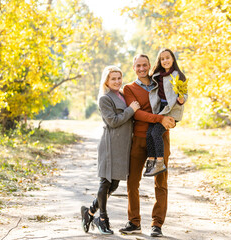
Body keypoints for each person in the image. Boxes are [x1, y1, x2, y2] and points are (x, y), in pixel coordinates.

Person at [119, 54, 184, 237]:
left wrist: (173, 114)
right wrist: (160, 118)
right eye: (138, 65)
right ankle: (134, 222)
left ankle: (157, 224)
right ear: (133, 67)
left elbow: (175, 100)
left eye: (145, 65)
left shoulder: (160, 82)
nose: (141, 68)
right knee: (133, 182)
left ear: (150, 66)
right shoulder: (129, 88)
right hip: (139, 138)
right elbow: (137, 114)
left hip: (161, 137)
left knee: (161, 183)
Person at [80, 65, 140, 235]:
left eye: (119, 78)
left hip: (123, 145)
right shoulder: (104, 98)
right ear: (106, 80)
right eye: (113, 78)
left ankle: (90, 212)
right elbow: (113, 121)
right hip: (110, 144)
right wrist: (131, 109)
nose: (117, 81)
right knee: (105, 182)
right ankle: (103, 219)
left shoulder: (121, 95)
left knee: (114, 183)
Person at [143, 48, 188, 177]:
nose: (165, 61)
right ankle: (151, 160)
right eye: (162, 59)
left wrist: (181, 99)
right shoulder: (157, 75)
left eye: (167, 58)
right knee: (149, 133)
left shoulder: (178, 75)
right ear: (160, 61)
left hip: (172, 109)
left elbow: (185, 93)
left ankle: (160, 162)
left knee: (156, 133)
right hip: (160, 109)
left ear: (173, 59)